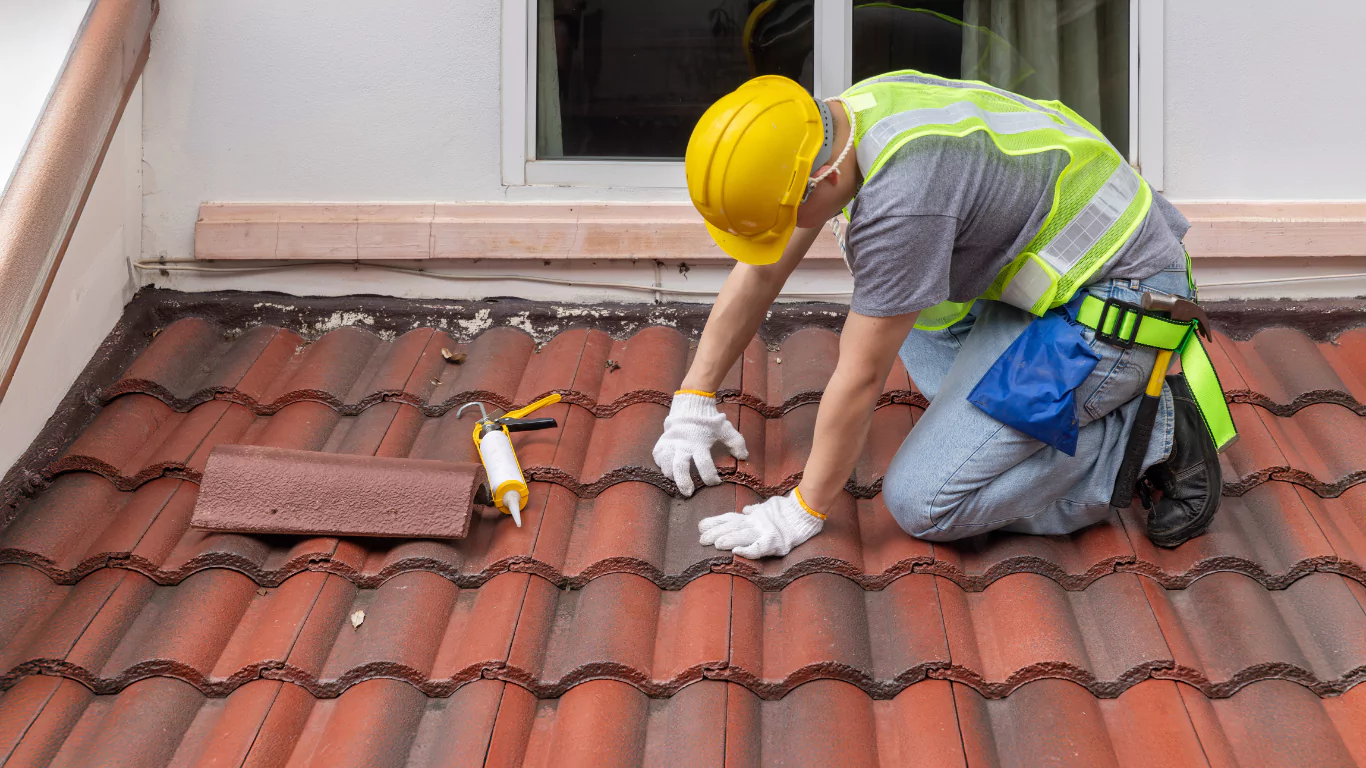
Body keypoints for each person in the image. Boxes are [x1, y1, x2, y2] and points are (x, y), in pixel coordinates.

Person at [652, 71, 1234, 559]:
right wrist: (694, 400)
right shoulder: (843, 120)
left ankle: (1150, 437)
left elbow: (861, 375)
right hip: (1061, 282)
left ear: (820, 181)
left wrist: (801, 509)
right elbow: (761, 272)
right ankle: (1058, 411)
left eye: (785, 218)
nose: (785, 236)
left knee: (925, 502)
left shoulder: (904, 202)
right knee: (913, 317)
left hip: (1118, 303)